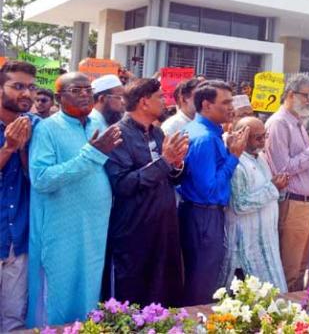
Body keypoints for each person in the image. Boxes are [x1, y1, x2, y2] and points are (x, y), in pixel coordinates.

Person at [27, 73, 122, 327]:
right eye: (76, 90)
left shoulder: (95, 125)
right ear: (59, 97)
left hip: (95, 227)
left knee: (89, 290)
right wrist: (90, 154)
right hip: (60, 230)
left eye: (87, 90)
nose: (84, 95)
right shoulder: (47, 129)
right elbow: (42, 179)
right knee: (59, 292)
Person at [103, 78, 188, 307]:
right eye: (160, 96)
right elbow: (123, 184)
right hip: (135, 227)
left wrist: (177, 164)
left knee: (164, 288)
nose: (165, 101)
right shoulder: (117, 135)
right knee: (133, 292)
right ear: (144, 102)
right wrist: (165, 161)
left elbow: (172, 178)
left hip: (164, 224)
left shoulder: (158, 133)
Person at [178, 80, 248, 305]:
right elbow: (208, 188)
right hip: (203, 215)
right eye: (225, 102)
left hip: (202, 214)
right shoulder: (204, 138)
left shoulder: (208, 132)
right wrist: (234, 157)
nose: (231, 107)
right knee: (202, 280)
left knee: (204, 276)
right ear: (207, 105)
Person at [264, 76, 309, 292]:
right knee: (289, 268)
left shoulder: (297, 123)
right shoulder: (279, 123)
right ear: (290, 95)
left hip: (308, 203)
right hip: (293, 203)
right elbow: (284, 168)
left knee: (301, 267)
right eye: (306, 95)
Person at [219, 117, 289, 292]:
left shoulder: (261, 158)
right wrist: (273, 188)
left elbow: (267, 189)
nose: (263, 141)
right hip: (245, 240)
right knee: (244, 296)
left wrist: (278, 188)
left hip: (265, 238)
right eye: (258, 137)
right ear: (243, 136)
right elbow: (239, 204)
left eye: (264, 136)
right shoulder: (237, 164)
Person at [0, 61, 39, 331]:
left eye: (31, 87)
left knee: (14, 320)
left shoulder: (39, 126)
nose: (26, 93)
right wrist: (9, 148)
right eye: (17, 86)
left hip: (19, 237)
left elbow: (38, 179)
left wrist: (23, 150)